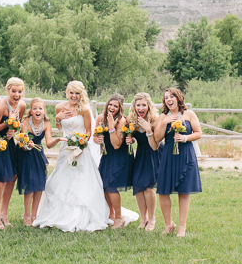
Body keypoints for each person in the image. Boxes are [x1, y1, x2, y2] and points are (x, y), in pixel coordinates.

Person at [32, 81, 110, 232]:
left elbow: (88, 131)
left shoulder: (85, 109)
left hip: (80, 150)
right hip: (65, 148)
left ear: (81, 94)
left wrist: (80, 145)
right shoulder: (59, 107)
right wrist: (58, 118)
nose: (74, 96)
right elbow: (60, 128)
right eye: (71, 93)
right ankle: (57, 213)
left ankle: (81, 216)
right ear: (66, 93)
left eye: (77, 93)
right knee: (61, 179)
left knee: (80, 180)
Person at [154, 88, 202, 237]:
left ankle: (182, 227)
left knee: (184, 191)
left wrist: (185, 138)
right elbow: (157, 138)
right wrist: (165, 123)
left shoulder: (189, 114)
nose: (169, 99)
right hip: (168, 156)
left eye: (172, 96)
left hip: (185, 155)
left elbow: (198, 133)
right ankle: (169, 225)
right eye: (166, 97)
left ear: (178, 98)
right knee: (163, 191)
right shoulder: (162, 116)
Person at [16, 98, 66, 225]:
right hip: (26, 154)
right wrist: (27, 144)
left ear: (44, 111)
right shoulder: (25, 122)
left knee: (39, 185)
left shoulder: (46, 124)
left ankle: (34, 214)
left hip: (38, 155)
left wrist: (58, 139)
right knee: (29, 184)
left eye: (40, 108)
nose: (37, 111)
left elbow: (49, 144)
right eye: (35, 108)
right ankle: (26, 215)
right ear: (31, 111)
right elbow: (21, 144)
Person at [0, 77, 26, 229]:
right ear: (7, 90)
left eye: (19, 91)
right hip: (0, 143)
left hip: (12, 143)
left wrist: (16, 130)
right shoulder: (0, 106)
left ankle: (4, 213)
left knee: (13, 176)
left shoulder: (22, 105)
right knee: (2, 178)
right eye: (13, 91)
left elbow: (20, 124)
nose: (16, 95)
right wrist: (7, 123)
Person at [93, 94, 133, 229]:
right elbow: (95, 137)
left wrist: (111, 127)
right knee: (104, 185)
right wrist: (97, 140)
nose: (112, 107)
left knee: (111, 186)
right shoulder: (100, 118)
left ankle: (119, 217)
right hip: (107, 155)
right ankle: (111, 214)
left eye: (115, 106)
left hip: (118, 156)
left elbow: (116, 144)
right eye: (110, 104)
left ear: (120, 108)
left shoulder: (121, 121)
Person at [125, 92, 162, 231]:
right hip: (140, 153)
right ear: (134, 106)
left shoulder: (155, 119)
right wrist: (131, 139)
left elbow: (156, 142)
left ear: (148, 106)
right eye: (138, 105)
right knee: (138, 186)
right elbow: (132, 136)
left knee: (148, 186)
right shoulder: (131, 119)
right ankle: (143, 217)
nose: (141, 108)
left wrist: (148, 129)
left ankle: (152, 218)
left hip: (153, 152)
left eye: (144, 105)